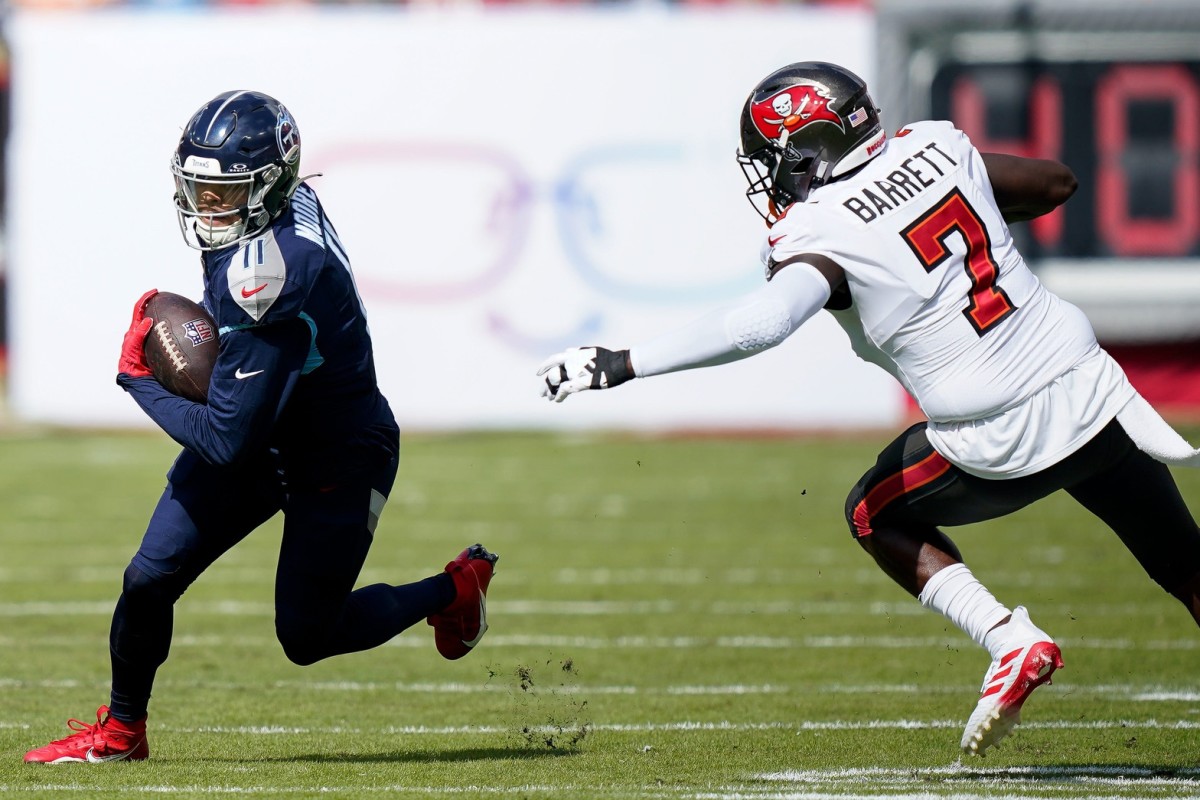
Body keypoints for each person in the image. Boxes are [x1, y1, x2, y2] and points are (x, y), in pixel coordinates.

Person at [537, 61, 1200, 756]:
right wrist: (951, 195)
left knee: (872, 511)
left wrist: (623, 364)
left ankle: (1009, 639)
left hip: (994, 427)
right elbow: (1056, 181)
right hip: (1089, 386)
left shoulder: (820, 227)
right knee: (1186, 563)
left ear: (803, 149)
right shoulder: (937, 145)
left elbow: (761, 323)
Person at [25, 90, 498, 764]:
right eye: (197, 189)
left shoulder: (268, 273)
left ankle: (455, 588)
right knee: (149, 576)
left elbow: (225, 438)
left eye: (223, 193)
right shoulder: (280, 212)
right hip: (265, 422)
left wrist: (137, 377)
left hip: (335, 452)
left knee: (307, 635)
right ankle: (123, 730)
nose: (204, 207)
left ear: (269, 186)